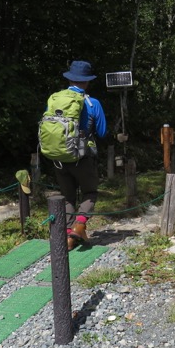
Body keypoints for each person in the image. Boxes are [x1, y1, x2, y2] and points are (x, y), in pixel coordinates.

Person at [51, 60, 107, 249]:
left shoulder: (54, 99)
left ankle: (68, 238)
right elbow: (102, 132)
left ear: (70, 79)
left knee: (67, 197)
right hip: (83, 156)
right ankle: (80, 225)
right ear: (87, 81)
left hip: (59, 156)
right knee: (90, 192)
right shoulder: (93, 103)